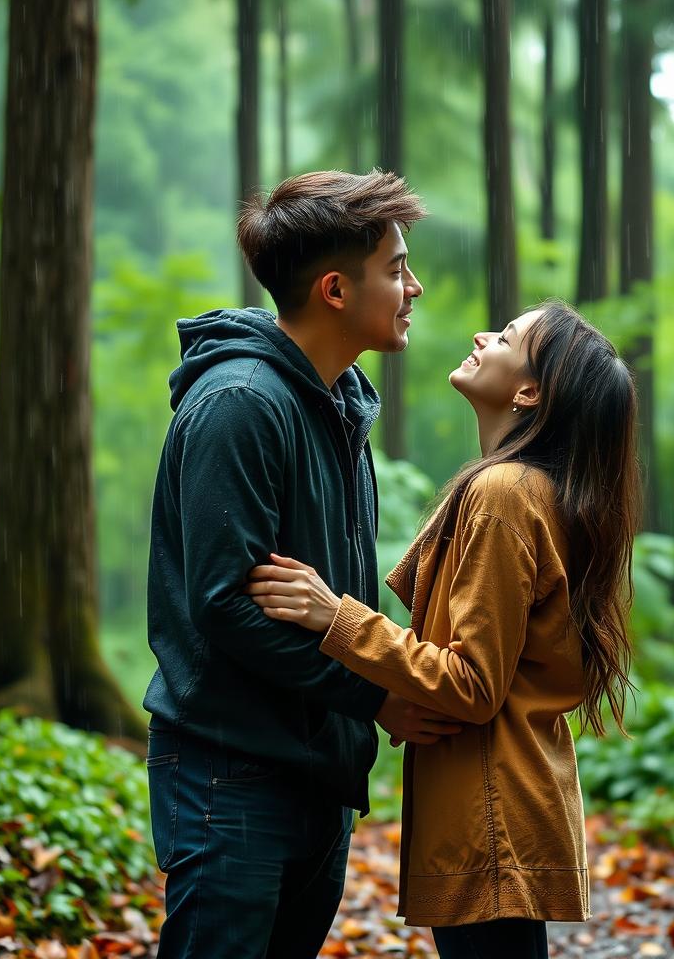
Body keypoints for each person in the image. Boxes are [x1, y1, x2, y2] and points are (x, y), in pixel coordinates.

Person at [247, 301, 640, 959]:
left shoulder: (506, 495)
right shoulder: (533, 491)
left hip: (492, 819)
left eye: (509, 336)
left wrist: (334, 616)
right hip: (502, 810)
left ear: (529, 390)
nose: (483, 334)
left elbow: (471, 684)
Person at [143, 169, 464, 959]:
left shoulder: (339, 402)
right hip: (232, 771)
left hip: (315, 773)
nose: (413, 287)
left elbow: (330, 600)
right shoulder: (242, 403)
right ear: (333, 289)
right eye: (395, 269)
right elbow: (227, 606)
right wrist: (374, 697)